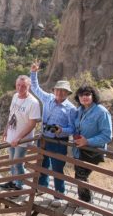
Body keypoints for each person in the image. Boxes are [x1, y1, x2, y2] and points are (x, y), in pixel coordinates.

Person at [30, 61, 77, 207]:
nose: (59, 93)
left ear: (67, 93)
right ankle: (42, 187)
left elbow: (73, 129)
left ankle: (59, 194)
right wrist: (33, 72)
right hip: (44, 138)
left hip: (59, 142)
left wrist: (61, 130)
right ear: (54, 90)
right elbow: (35, 88)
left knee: (57, 168)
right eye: (57, 90)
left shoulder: (71, 108)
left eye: (63, 91)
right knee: (42, 163)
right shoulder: (48, 98)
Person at [73, 85, 112, 207]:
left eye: (87, 94)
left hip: (92, 150)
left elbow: (107, 135)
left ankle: (86, 203)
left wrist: (87, 141)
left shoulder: (101, 111)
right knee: (79, 174)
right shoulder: (80, 110)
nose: (84, 97)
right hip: (79, 149)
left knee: (81, 175)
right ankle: (82, 199)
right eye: (81, 95)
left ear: (93, 96)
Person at [0, 75, 41, 191]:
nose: (20, 88)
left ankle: (19, 185)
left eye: (23, 86)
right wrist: (6, 129)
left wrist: (18, 138)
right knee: (12, 162)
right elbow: (11, 114)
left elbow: (32, 124)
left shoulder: (33, 103)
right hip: (12, 135)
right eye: (18, 85)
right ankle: (13, 181)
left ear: (29, 86)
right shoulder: (15, 96)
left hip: (23, 139)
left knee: (18, 163)